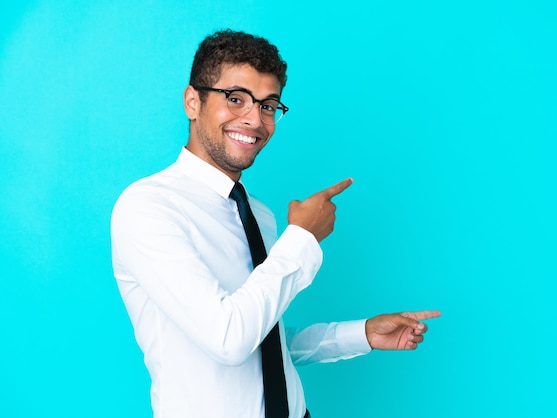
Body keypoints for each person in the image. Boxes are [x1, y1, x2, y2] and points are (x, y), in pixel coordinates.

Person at [111, 29, 440, 418]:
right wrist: (302, 238)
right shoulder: (149, 207)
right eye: (236, 99)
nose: (254, 119)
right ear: (192, 102)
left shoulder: (258, 214)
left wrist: (362, 333)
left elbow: (265, 339)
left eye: (269, 106)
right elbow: (229, 338)